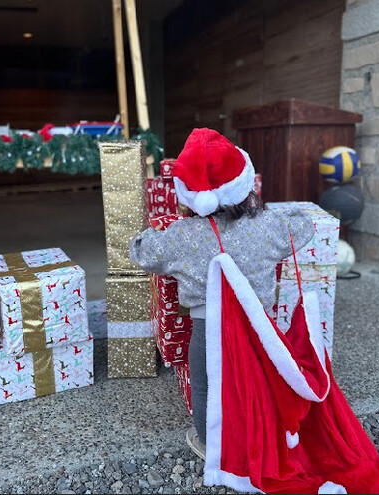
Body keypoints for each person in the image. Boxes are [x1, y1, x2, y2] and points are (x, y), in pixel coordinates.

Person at [129, 128, 314, 459]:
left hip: (207, 329)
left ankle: (210, 444)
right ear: (244, 184)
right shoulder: (268, 225)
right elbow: (303, 225)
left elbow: (141, 251)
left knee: (205, 387)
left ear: (189, 195)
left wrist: (155, 228)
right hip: (260, 326)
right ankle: (262, 434)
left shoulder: (181, 235)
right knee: (260, 382)